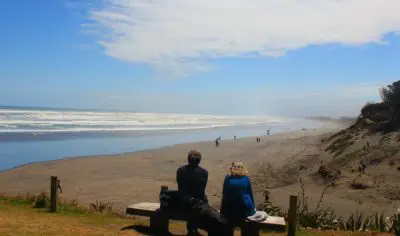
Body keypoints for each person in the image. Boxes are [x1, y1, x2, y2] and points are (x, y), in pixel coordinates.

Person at [176, 150, 230, 235]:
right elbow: (201, 188)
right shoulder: (204, 172)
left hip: (184, 202)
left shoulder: (180, 170)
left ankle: (193, 230)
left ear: (188, 159)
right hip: (198, 203)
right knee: (216, 218)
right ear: (199, 160)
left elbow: (181, 187)